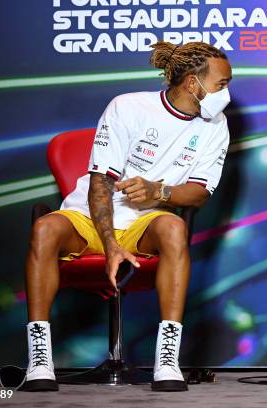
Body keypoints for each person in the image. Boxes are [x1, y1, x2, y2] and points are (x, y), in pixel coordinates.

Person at [23, 41, 232, 392]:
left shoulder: (216, 125)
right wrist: (109, 247)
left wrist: (159, 192)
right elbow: (100, 183)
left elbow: (199, 192)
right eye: (221, 84)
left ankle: (167, 361)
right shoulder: (128, 107)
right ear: (193, 84)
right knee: (45, 228)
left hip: (143, 223)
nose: (226, 93)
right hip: (89, 218)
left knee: (173, 227)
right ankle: (39, 359)